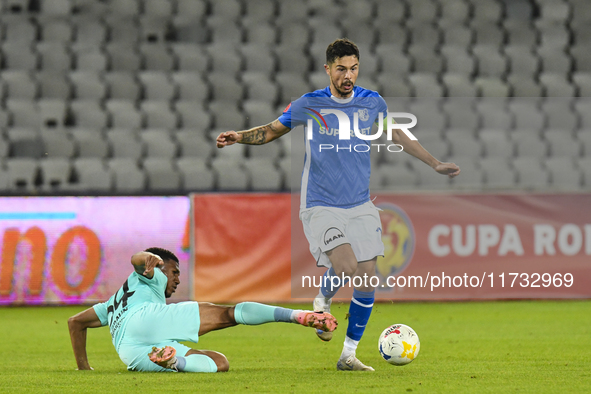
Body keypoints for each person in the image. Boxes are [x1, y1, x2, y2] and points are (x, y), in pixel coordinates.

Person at [216, 38, 460, 371]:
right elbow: (272, 130)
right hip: (320, 203)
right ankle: (323, 299)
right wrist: (239, 136)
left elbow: (398, 134)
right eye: (342, 69)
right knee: (346, 266)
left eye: (354, 68)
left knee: (368, 277)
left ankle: (348, 354)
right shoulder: (308, 104)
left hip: (360, 203)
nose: (349, 76)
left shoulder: (372, 102)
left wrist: (434, 164)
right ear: (328, 69)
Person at [68, 247, 337, 373]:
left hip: (130, 352)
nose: (176, 280)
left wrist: (84, 368)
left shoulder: (112, 303)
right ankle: (299, 316)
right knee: (228, 314)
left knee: (219, 363)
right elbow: (137, 261)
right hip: (146, 321)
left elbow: (75, 323)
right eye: (175, 272)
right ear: (162, 268)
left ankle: (174, 361)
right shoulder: (152, 275)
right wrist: (146, 260)